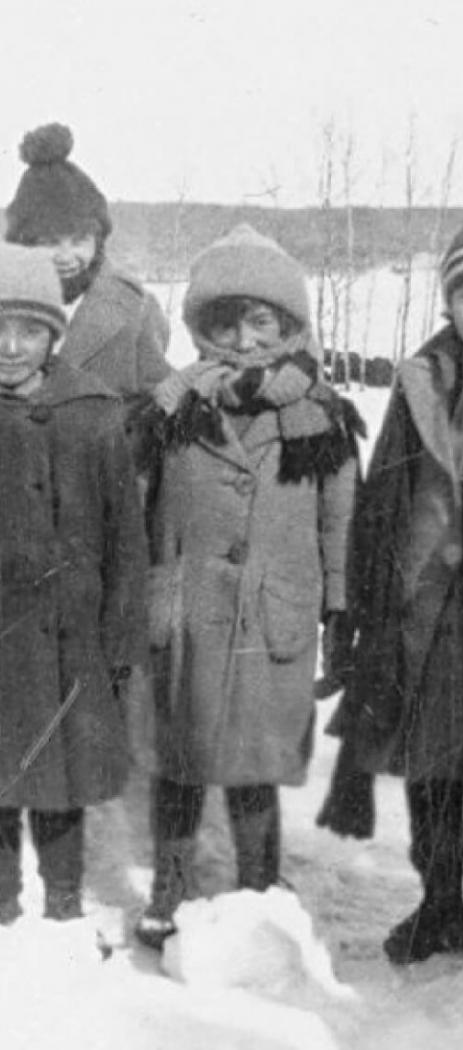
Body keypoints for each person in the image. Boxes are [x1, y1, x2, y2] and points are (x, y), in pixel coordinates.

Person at [317, 193, 463, 965]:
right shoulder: (424, 375)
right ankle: (439, 895)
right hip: (428, 605)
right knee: (432, 760)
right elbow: (387, 485)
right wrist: (370, 591)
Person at [134, 225, 362, 950]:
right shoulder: (170, 410)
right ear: (201, 328)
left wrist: (340, 606)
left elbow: (339, 520)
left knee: (254, 762)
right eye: (226, 321)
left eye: (262, 321)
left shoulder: (318, 415)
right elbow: (136, 506)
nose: (243, 337)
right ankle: (170, 889)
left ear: (290, 327)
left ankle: (262, 887)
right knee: (181, 759)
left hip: (274, 615)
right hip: (187, 613)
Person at [0, 243, 147, 923]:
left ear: (53, 335)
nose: (10, 346)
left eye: (29, 330)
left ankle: (63, 900)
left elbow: (125, 537)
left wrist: (122, 635)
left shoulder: (93, 412)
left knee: (61, 776)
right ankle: (2, 902)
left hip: (71, 634)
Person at [4, 122, 170, 451]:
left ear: (98, 239)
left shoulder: (134, 309)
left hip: (96, 485)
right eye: (50, 242)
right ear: (23, 243)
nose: (66, 257)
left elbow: (156, 406)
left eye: (79, 240)